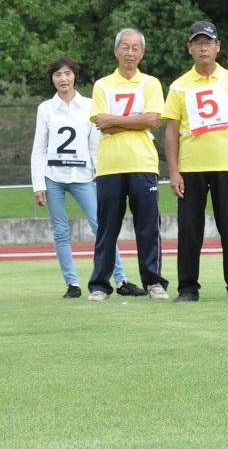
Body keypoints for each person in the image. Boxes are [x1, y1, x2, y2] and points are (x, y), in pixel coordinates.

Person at [31, 57, 142, 298]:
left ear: (74, 76)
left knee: (101, 227)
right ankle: (72, 284)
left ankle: (121, 279)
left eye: (67, 73)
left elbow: (95, 145)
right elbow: (39, 147)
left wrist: (99, 175)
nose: (63, 79)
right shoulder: (45, 109)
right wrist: (38, 183)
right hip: (53, 176)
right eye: (58, 74)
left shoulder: (90, 105)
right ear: (52, 79)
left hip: (82, 176)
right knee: (60, 231)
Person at [163, 20, 228, 302]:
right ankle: (188, 288)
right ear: (189, 48)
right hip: (190, 168)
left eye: (208, 42)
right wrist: (174, 171)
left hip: (227, 166)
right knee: (190, 230)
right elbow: (170, 132)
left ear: (217, 47)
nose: (203, 47)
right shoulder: (179, 86)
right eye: (197, 43)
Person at [87, 29, 171, 301]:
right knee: (107, 228)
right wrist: (133, 120)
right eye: (125, 47)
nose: (130, 52)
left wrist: (115, 120)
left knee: (148, 226)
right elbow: (102, 124)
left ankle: (153, 282)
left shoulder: (150, 83)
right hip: (110, 166)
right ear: (116, 51)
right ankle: (99, 285)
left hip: (143, 163)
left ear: (142, 53)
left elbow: (152, 120)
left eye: (136, 48)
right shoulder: (102, 85)